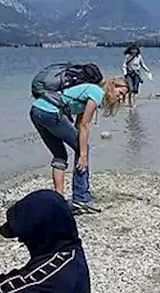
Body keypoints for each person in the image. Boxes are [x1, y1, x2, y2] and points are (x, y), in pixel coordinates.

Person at [31, 74, 126, 214]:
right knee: (83, 148)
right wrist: (82, 155)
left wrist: (79, 147)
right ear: (113, 86)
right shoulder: (97, 92)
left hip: (36, 110)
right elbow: (84, 125)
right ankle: (81, 198)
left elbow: (77, 125)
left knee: (60, 154)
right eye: (120, 93)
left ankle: (58, 200)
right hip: (51, 112)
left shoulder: (90, 91)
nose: (121, 98)